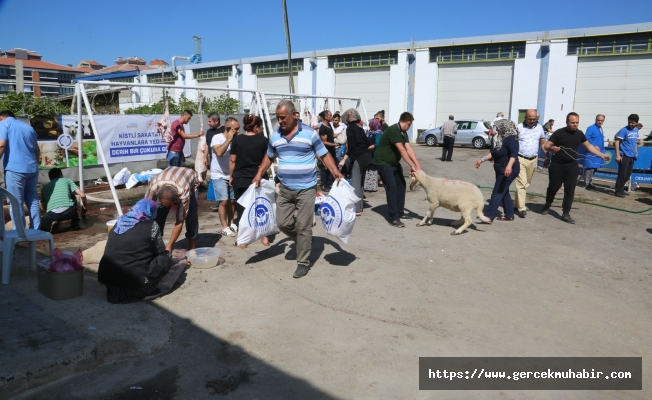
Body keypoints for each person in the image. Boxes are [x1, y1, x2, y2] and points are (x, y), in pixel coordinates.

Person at [253, 100, 342, 278]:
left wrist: (335, 172)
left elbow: (323, 155)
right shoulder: (275, 136)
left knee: (304, 226)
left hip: (307, 188)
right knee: (281, 222)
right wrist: (258, 174)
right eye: (278, 118)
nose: (280, 122)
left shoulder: (309, 134)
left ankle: (303, 262)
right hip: (285, 188)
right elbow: (268, 157)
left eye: (283, 118)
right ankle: (304, 240)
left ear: (294, 115)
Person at [98, 199, 172, 304]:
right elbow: (160, 250)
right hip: (136, 282)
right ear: (150, 211)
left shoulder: (119, 222)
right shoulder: (151, 225)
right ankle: (146, 291)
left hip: (110, 283)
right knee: (166, 257)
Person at [541, 112, 610, 224]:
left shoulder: (579, 134)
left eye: (577, 122)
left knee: (570, 189)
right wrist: (552, 148)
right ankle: (548, 204)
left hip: (572, 165)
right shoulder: (559, 133)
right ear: (567, 122)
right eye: (572, 122)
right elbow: (546, 146)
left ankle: (566, 213)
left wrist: (601, 155)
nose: (575, 125)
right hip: (557, 165)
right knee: (553, 187)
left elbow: (588, 146)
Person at [373, 112, 423, 227]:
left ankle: (400, 213)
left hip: (393, 163)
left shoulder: (403, 132)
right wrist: (412, 165)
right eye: (410, 125)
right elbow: (402, 150)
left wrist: (417, 165)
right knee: (392, 188)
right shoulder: (393, 130)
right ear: (408, 122)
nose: (409, 127)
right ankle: (393, 217)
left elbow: (409, 149)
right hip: (383, 162)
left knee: (401, 185)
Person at [229, 114, 269, 247]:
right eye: (261, 126)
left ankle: (243, 240)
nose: (262, 128)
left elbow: (232, 160)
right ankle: (264, 237)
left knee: (242, 208)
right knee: (261, 206)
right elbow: (267, 160)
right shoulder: (263, 140)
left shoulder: (237, 140)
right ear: (256, 127)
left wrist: (231, 176)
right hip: (258, 177)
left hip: (240, 178)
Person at [0, 110, 41, 229]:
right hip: (32, 168)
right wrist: (35, 165)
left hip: (15, 169)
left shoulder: (4, 124)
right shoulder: (28, 128)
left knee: (15, 202)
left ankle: (19, 233)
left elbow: (1, 145)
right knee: (32, 200)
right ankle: (36, 230)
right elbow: (37, 150)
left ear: (1, 118)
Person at [475, 119, 520, 221]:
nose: (497, 130)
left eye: (498, 128)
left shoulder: (511, 138)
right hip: (501, 169)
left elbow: (514, 154)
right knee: (504, 191)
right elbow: (494, 153)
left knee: (498, 191)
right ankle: (509, 215)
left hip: (508, 169)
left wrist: (509, 166)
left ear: (505, 128)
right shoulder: (502, 139)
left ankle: (488, 216)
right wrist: (482, 160)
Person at [145, 167, 200, 252]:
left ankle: (192, 247)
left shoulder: (183, 193)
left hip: (190, 180)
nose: (167, 207)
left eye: (169, 205)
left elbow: (179, 221)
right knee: (158, 215)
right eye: (164, 204)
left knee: (191, 216)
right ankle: (156, 242)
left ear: (176, 200)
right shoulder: (154, 186)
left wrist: (170, 246)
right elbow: (146, 208)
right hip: (167, 177)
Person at [339, 108, 374, 216]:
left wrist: (344, 159)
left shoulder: (350, 129)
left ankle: (356, 209)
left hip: (358, 158)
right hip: (366, 157)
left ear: (348, 118)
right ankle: (360, 206)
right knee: (361, 184)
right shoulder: (360, 128)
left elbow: (352, 146)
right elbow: (369, 143)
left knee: (355, 184)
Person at [514, 110, 546, 218]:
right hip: (520, 158)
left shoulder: (540, 128)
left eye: (534, 119)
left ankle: (516, 204)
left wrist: (547, 156)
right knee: (521, 183)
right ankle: (521, 208)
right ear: (525, 117)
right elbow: (513, 143)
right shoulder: (518, 128)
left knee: (527, 183)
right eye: (529, 119)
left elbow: (543, 143)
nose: (532, 121)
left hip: (533, 159)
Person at [211, 117, 238, 237]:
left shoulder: (236, 139)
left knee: (232, 201)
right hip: (218, 174)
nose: (238, 131)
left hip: (231, 175)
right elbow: (219, 153)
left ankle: (231, 223)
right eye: (235, 129)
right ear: (228, 128)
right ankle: (224, 226)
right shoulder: (217, 138)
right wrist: (229, 140)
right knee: (224, 201)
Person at [614, 114, 640, 198]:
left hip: (632, 155)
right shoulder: (623, 130)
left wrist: (636, 152)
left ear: (636, 123)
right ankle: (618, 190)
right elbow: (617, 142)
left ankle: (621, 188)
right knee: (622, 173)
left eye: (633, 123)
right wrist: (618, 155)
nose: (631, 124)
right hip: (624, 155)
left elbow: (635, 142)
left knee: (628, 174)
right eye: (629, 122)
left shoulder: (636, 130)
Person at [205, 113, 225, 208]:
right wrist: (206, 157)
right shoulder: (209, 132)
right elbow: (207, 145)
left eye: (210, 121)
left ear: (216, 121)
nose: (208, 123)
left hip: (224, 161)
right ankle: (219, 202)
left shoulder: (224, 130)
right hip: (214, 161)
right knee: (216, 182)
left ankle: (225, 202)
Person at [582, 114, 606, 191]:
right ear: (595, 120)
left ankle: (590, 182)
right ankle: (587, 183)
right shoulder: (591, 128)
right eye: (598, 120)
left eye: (601, 120)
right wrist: (594, 145)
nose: (600, 122)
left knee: (595, 167)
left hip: (598, 153)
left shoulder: (600, 129)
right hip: (591, 152)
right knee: (590, 167)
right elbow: (586, 138)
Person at [318, 110, 337, 191]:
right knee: (325, 168)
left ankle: (330, 184)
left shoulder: (329, 125)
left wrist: (341, 134)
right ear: (325, 117)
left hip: (332, 150)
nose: (331, 116)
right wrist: (335, 145)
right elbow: (324, 142)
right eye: (330, 115)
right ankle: (324, 185)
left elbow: (331, 136)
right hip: (326, 151)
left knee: (332, 167)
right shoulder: (322, 128)